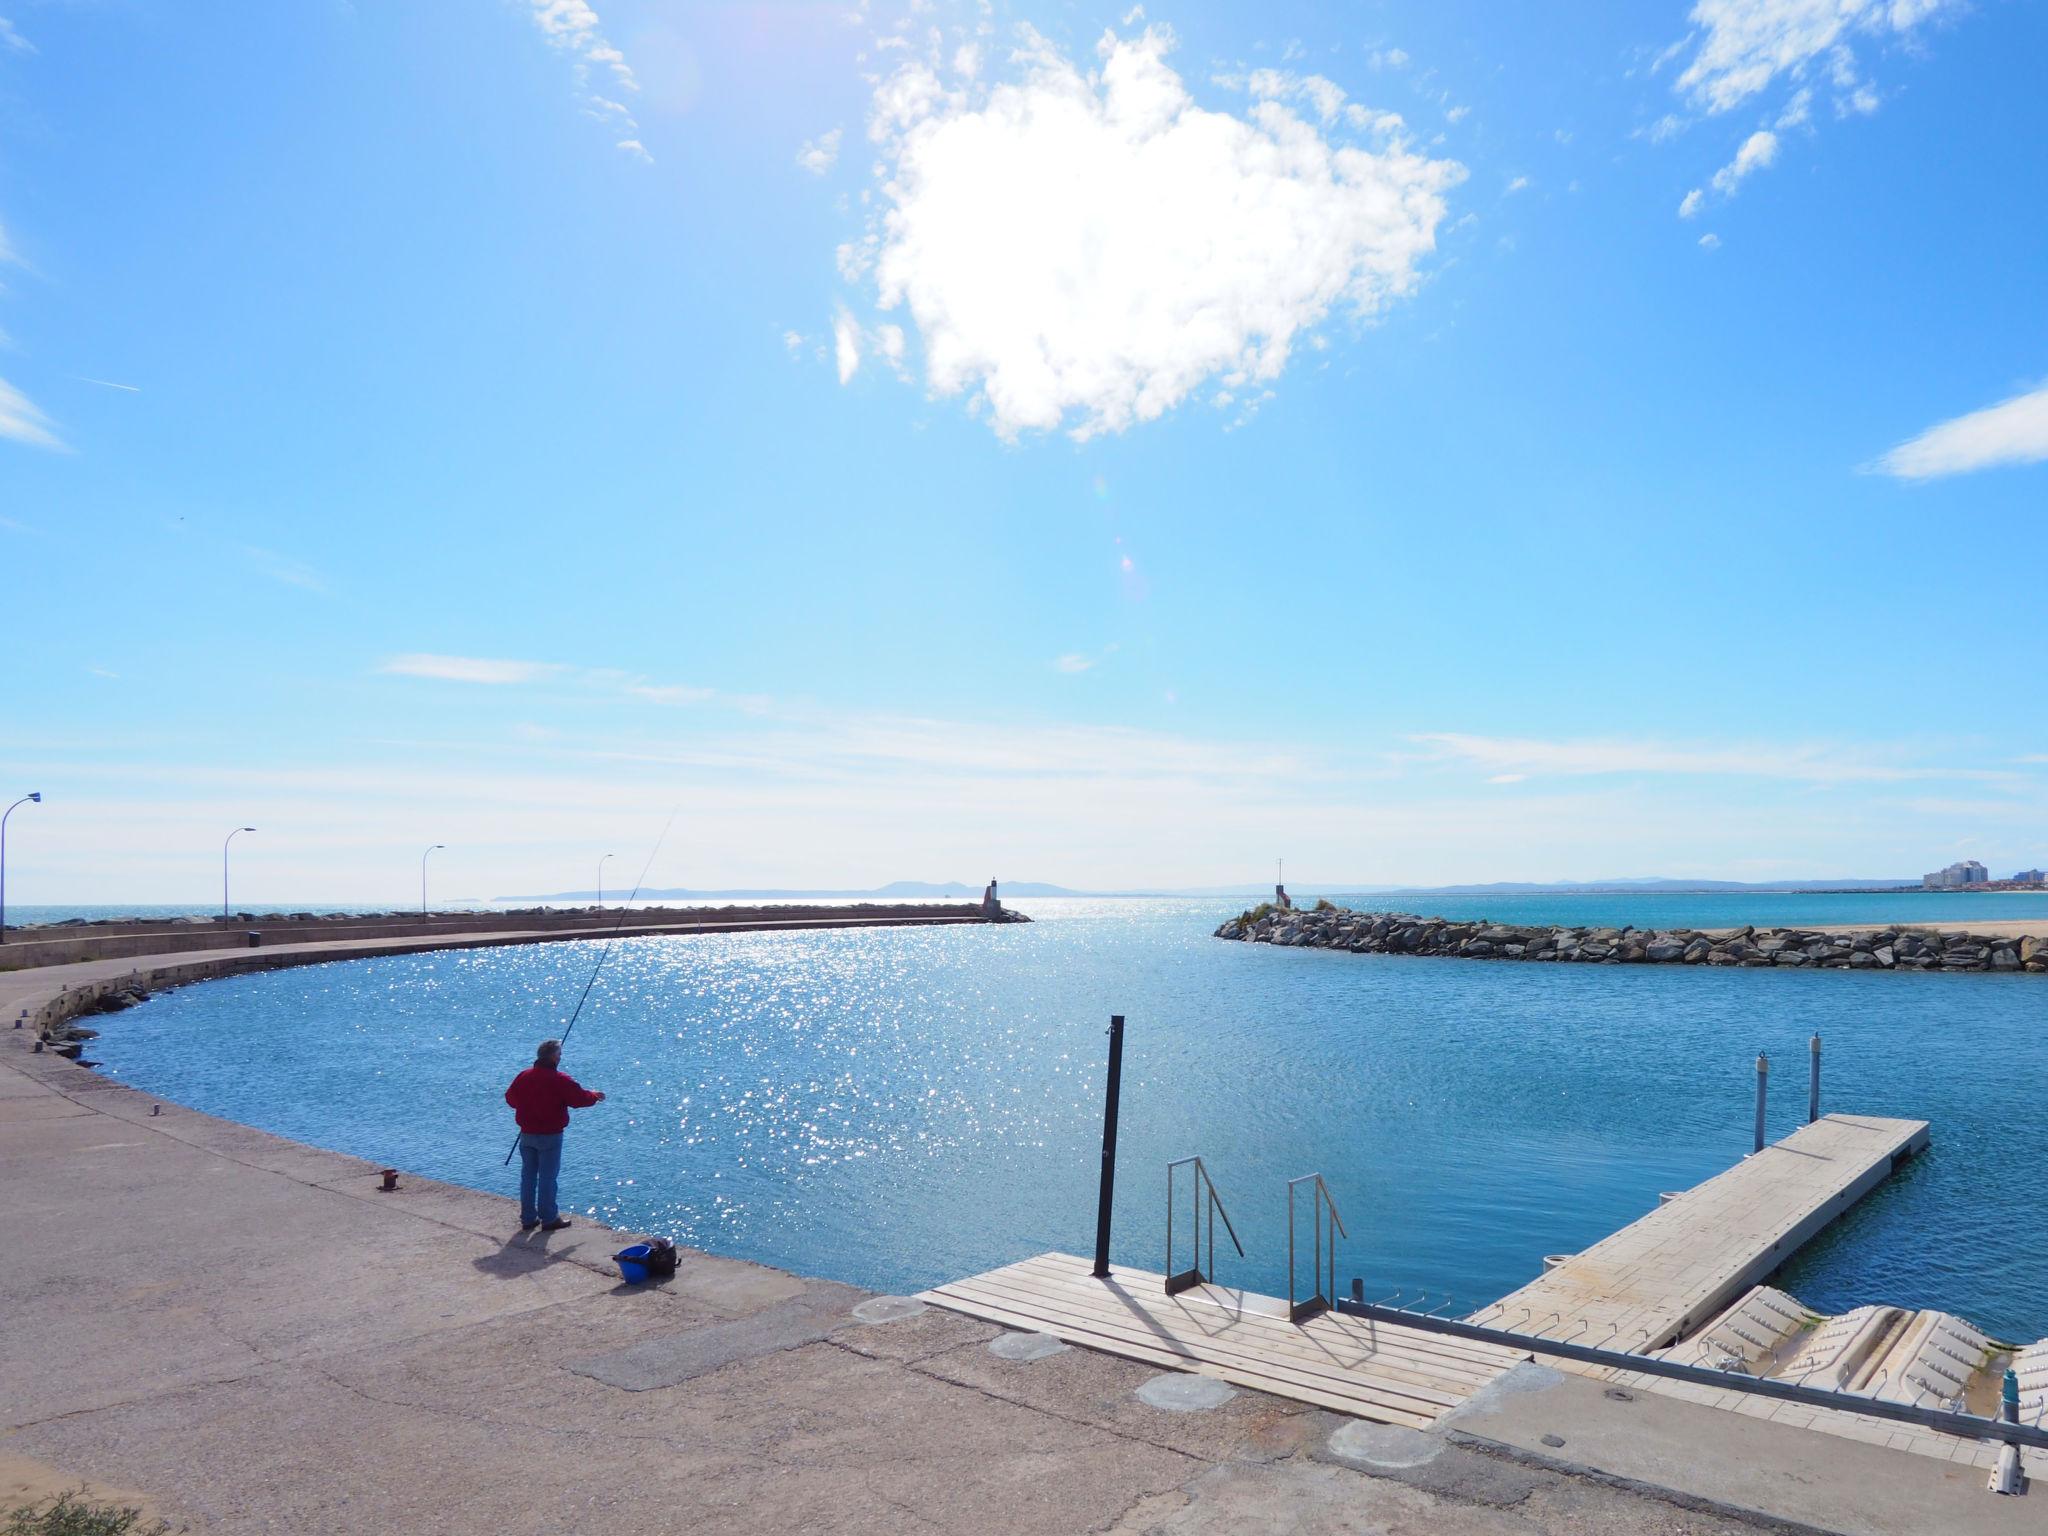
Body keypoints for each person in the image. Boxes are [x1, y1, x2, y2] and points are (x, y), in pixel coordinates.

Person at [504, 1038, 604, 1231]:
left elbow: (510, 1099)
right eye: (559, 1054)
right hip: (550, 1136)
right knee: (548, 1178)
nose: (561, 1056)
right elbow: (578, 1099)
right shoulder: (560, 1079)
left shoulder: (524, 1076)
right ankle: (549, 1218)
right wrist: (594, 1096)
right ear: (553, 1057)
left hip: (527, 1135)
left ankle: (527, 1218)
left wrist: (527, 1106)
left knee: (528, 1177)